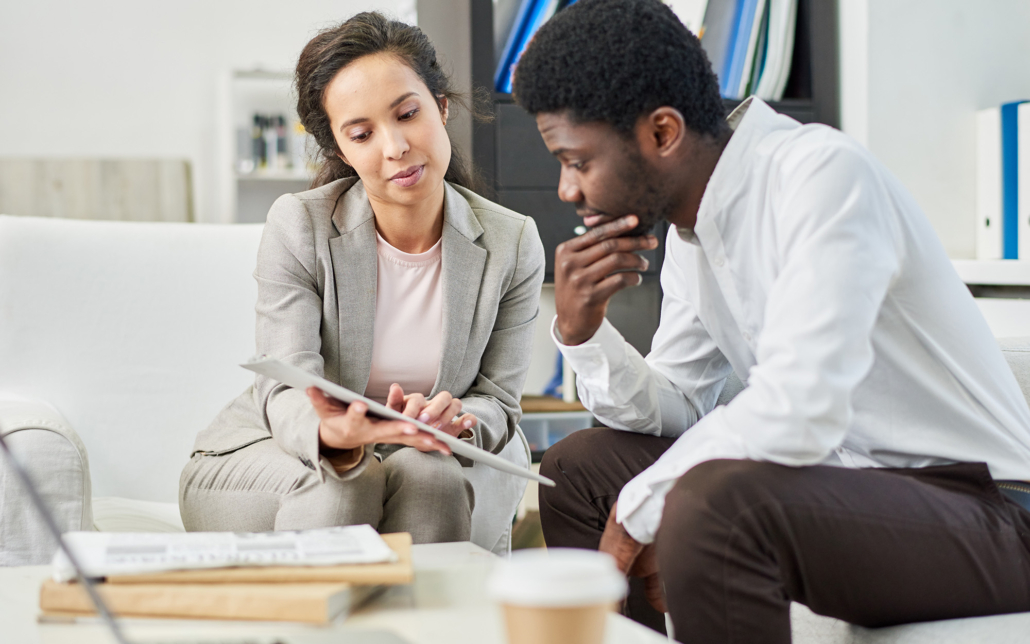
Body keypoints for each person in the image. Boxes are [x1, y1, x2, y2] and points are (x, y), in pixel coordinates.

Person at [511, 0, 1030, 640]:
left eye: (577, 160)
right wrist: (583, 333)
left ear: (663, 133)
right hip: (840, 491)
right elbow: (681, 409)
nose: (567, 189)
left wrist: (644, 506)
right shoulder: (691, 237)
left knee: (713, 506)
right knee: (576, 470)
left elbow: (801, 408)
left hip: (991, 509)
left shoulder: (820, 176)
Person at [179, 12, 545, 545]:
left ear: (441, 109)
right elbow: (284, 384)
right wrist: (331, 433)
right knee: (347, 480)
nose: (394, 146)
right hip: (266, 455)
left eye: (408, 114)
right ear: (339, 150)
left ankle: (427, 630)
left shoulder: (511, 242)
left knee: (435, 478)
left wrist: (459, 418)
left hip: (410, 455)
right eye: (362, 133)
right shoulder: (299, 225)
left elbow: (500, 402)